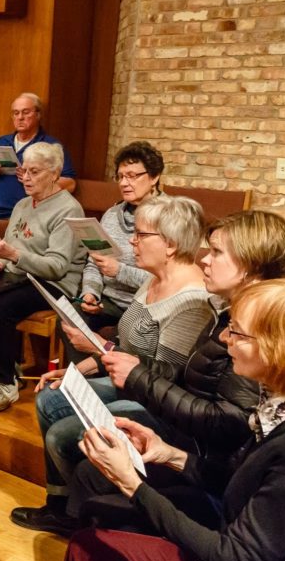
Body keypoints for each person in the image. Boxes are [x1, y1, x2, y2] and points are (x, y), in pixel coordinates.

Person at [61, 277, 285, 561]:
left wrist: (131, 484)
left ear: (281, 350)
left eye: (237, 332)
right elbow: (241, 484)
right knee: (85, 548)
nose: (225, 338)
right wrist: (169, 454)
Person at [50, 210, 285, 537]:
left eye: (216, 252)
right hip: (194, 440)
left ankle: (96, 545)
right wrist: (131, 364)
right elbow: (191, 374)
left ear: (250, 265)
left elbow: (229, 423)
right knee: (77, 438)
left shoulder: (254, 330)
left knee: (89, 464)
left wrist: (139, 378)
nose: (204, 260)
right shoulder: (230, 312)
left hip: (211, 463)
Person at [15, 200, 250, 537]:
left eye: (141, 235)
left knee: (63, 434)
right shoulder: (153, 280)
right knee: (51, 397)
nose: (131, 241)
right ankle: (62, 503)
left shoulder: (193, 302)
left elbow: (167, 374)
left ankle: (83, 514)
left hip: (156, 400)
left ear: (170, 244)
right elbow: (126, 342)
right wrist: (84, 365)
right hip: (135, 381)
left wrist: (102, 350)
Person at [0, 142, 86, 412]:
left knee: (1, 307)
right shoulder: (23, 204)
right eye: (24, 171)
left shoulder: (68, 209)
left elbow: (57, 266)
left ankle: (4, 382)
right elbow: (11, 246)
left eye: (35, 172)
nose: (26, 178)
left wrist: (13, 255)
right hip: (19, 273)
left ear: (54, 174)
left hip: (54, 283)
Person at [61, 141, 164, 366]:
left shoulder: (168, 217)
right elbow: (94, 262)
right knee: (72, 317)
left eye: (132, 176)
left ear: (154, 177)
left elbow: (167, 279)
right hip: (109, 300)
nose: (124, 183)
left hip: (145, 304)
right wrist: (91, 292)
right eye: (120, 176)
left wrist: (119, 271)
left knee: (127, 333)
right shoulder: (112, 214)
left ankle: (105, 377)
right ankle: (84, 378)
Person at [0, 93, 77, 219]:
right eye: (16, 113)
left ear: (38, 115)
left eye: (26, 112)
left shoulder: (50, 145)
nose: (20, 117)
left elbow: (70, 184)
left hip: (25, 216)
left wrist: (33, 178)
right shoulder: (1, 141)